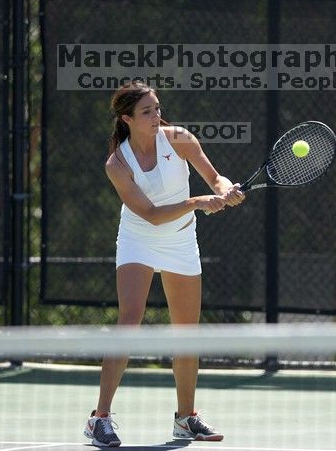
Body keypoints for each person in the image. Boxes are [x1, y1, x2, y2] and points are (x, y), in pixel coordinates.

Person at [83, 81, 245, 447]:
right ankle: (100, 419)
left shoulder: (179, 138)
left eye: (157, 108)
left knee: (186, 332)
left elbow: (214, 176)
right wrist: (198, 202)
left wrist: (223, 189)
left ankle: (186, 418)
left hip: (181, 240)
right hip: (140, 237)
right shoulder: (117, 164)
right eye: (147, 112)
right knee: (129, 321)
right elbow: (153, 216)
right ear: (127, 119)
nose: (157, 116)